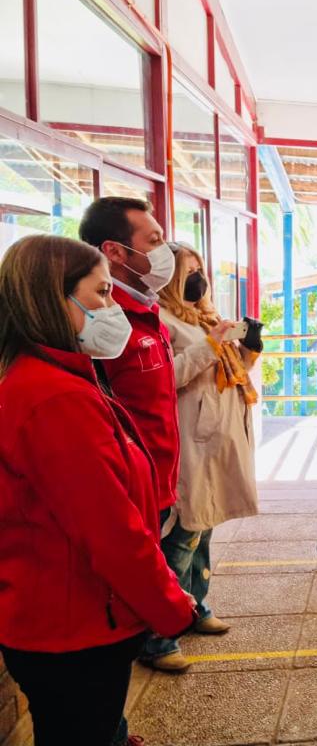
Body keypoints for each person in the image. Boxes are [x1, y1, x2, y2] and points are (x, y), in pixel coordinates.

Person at [0, 236, 196, 746]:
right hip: (75, 627)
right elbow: (110, 530)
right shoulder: (53, 398)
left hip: (68, 617)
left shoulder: (53, 379)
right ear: (52, 298)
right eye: (102, 292)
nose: (114, 308)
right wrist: (171, 605)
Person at [139, 241, 262, 661]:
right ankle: (159, 634)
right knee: (184, 532)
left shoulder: (204, 316)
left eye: (200, 270)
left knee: (205, 526)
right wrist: (210, 343)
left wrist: (248, 348)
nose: (199, 279)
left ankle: (195, 605)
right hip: (190, 439)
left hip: (219, 437)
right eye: (189, 272)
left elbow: (231, 372)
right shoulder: (160, 319)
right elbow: (167, 377)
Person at [79, 197, 187, 672]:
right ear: (115, 251)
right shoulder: (102, 322)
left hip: (158, 475)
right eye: (154, 240)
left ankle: (153, 633)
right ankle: (147, 643)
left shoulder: (146, 311)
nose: (166, 251)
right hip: (128, 483)